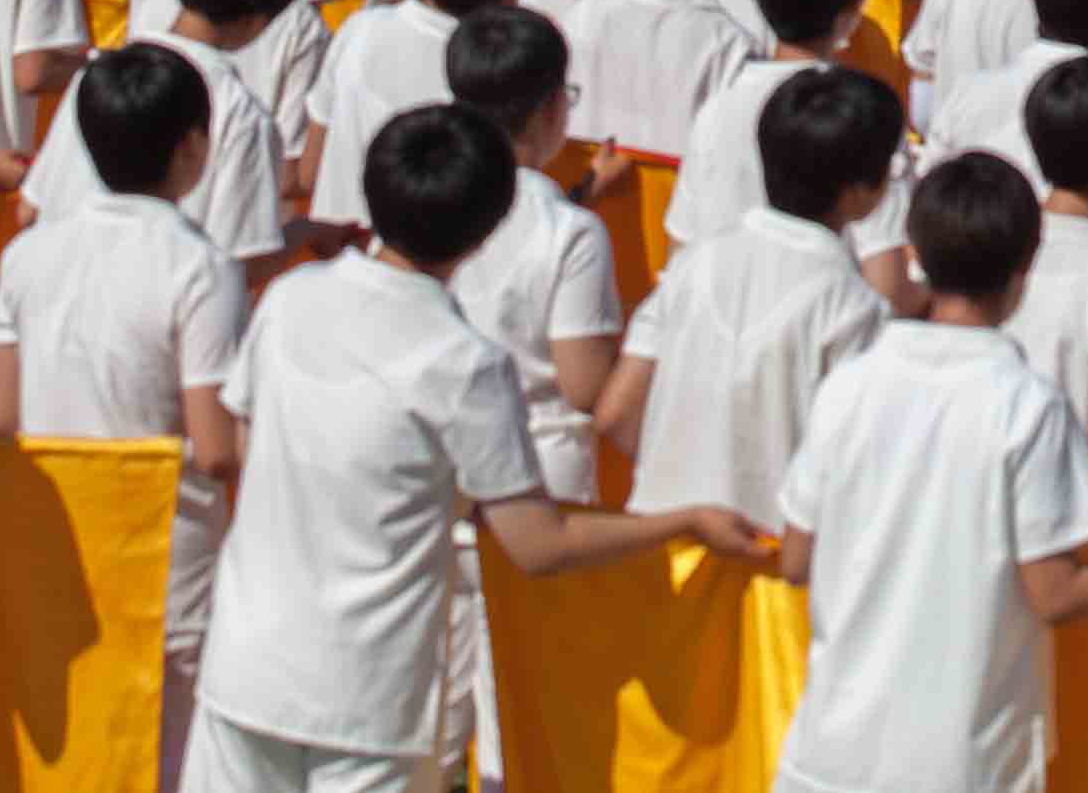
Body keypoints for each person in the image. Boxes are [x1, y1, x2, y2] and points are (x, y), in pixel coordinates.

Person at [188, 106, 769, 793]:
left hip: (245, 667)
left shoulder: (289, 300)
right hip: (363, 697)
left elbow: (244, 449)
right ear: (490, 228)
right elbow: (538, 543)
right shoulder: (463, 362)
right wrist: (682, 521)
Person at [770, 153, 1088, 793]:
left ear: (915, 254)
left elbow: (796, 559)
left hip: (825, 757)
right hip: (959, 766)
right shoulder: (1026, 405)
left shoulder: (848, 387)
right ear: (1025, 266)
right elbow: (1055, 593)